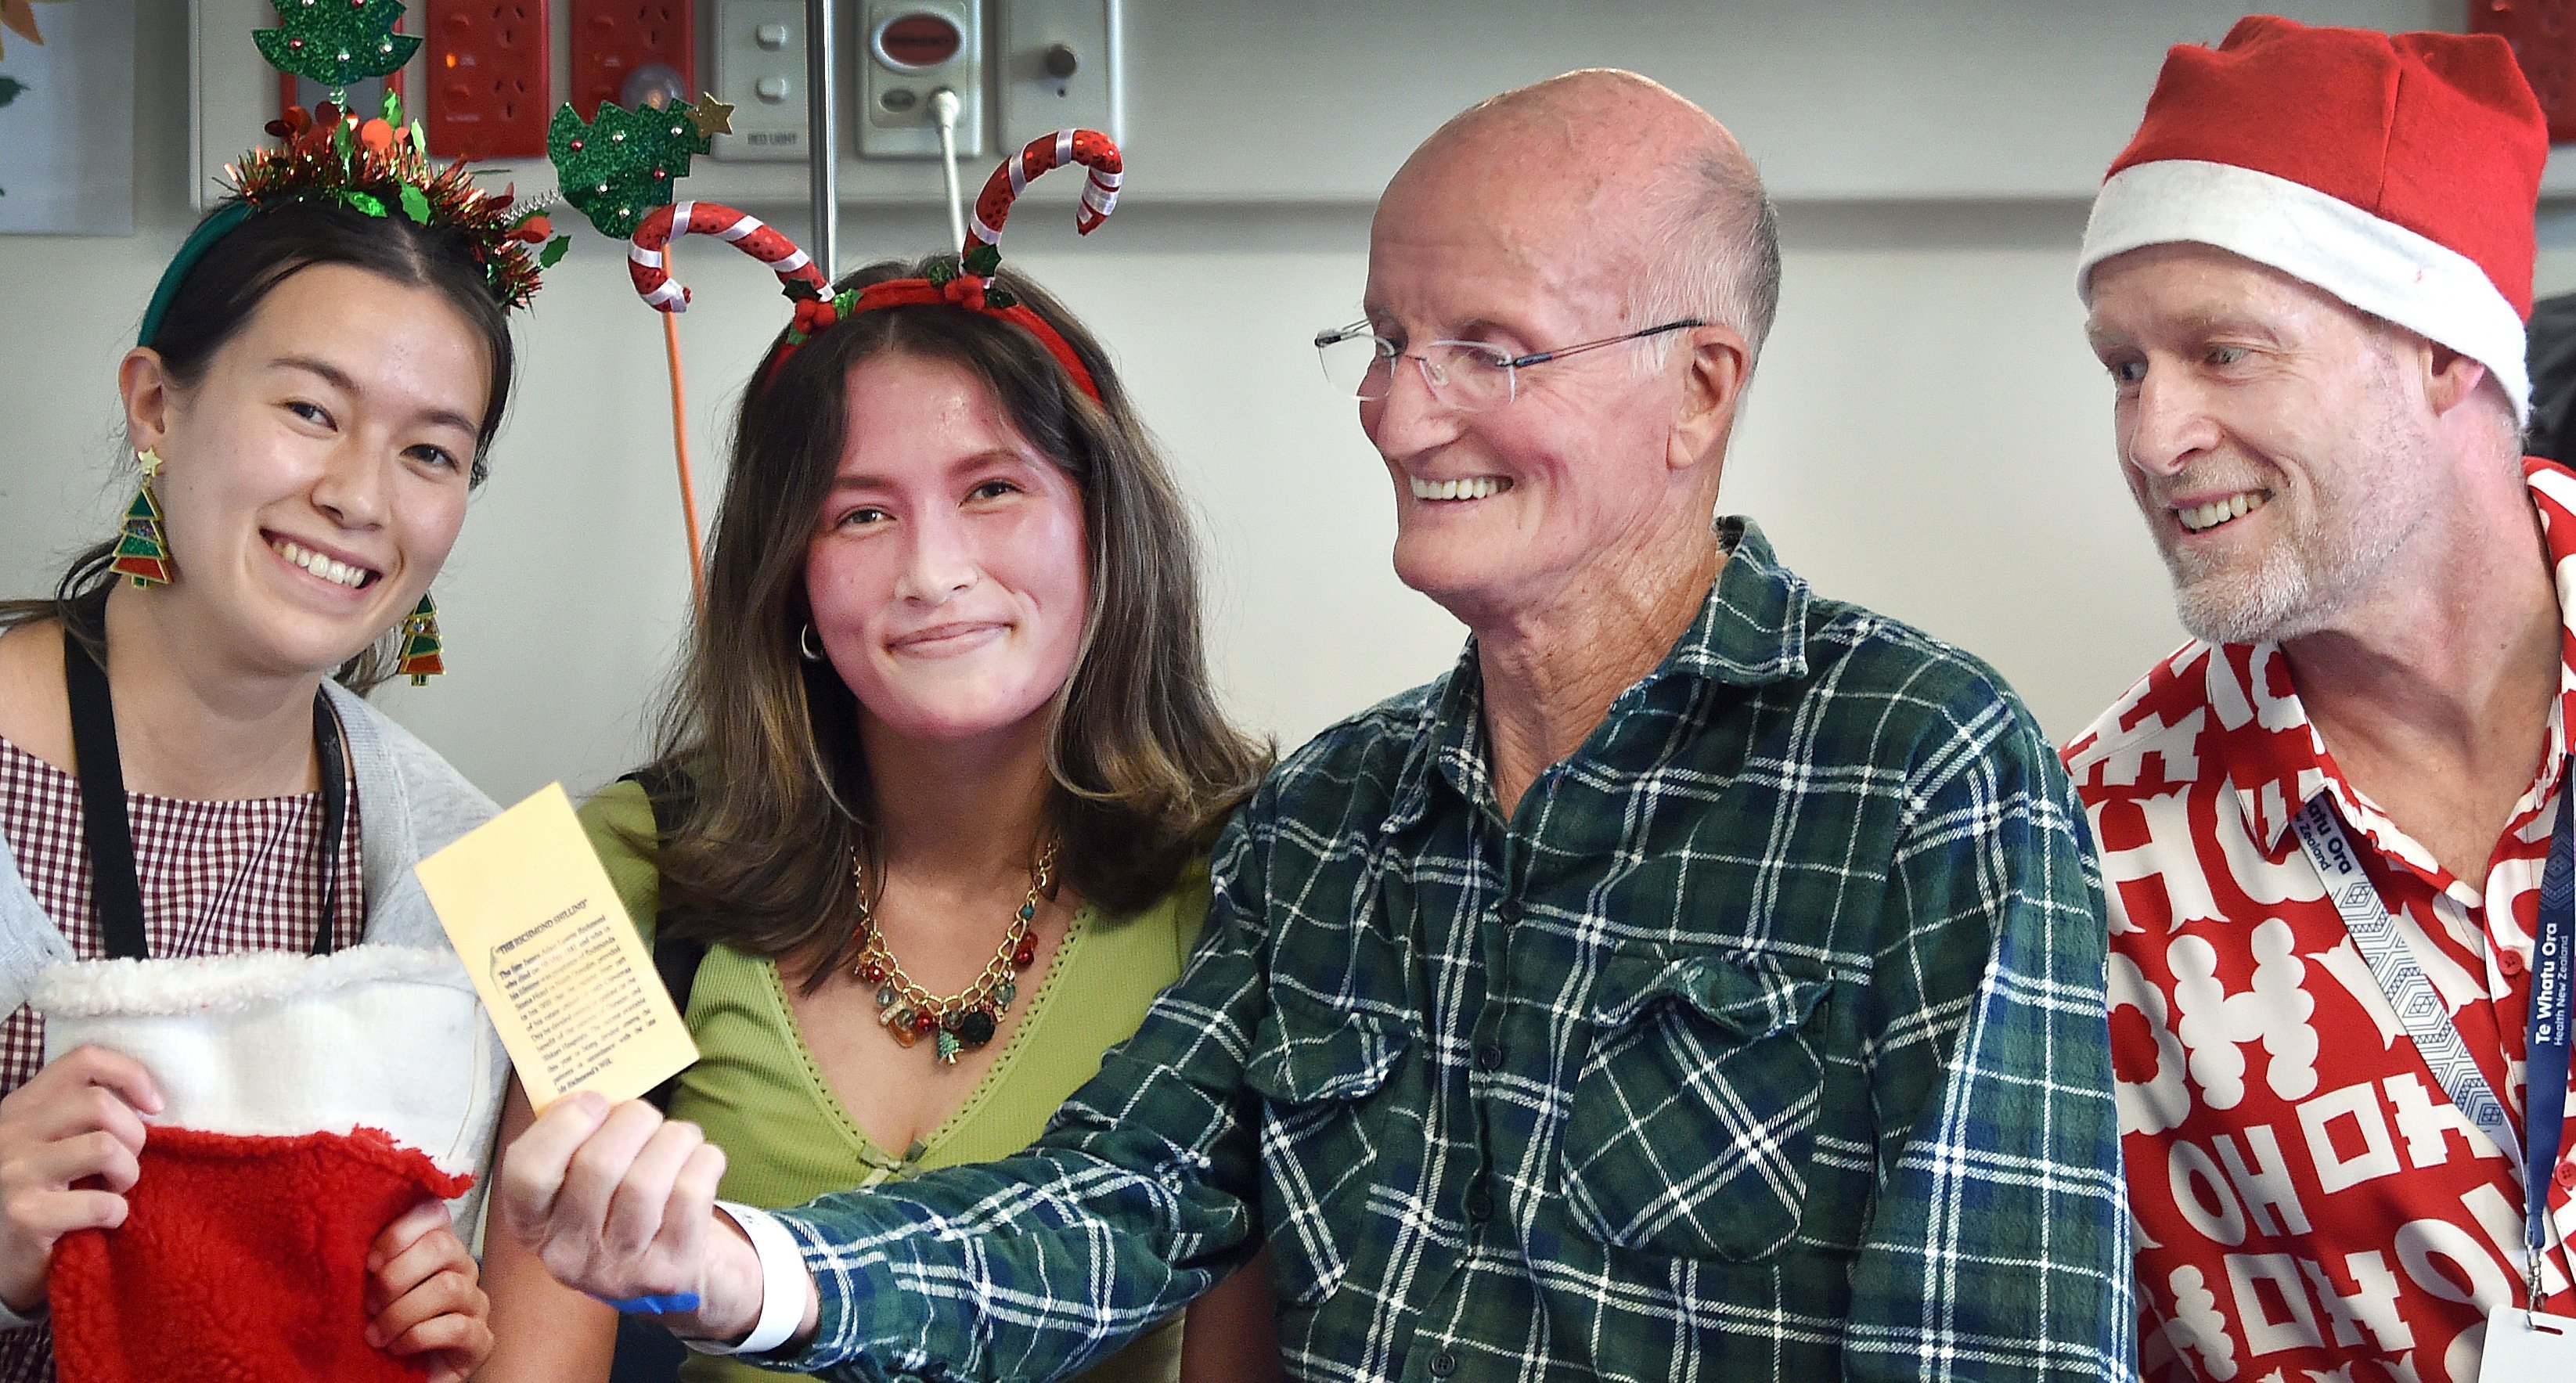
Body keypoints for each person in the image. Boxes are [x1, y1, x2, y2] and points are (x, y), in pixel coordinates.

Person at [496, 70, 2132, 1381]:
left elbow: (1995, 1339)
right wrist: (754, 1269)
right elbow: (1121, 1200)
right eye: (1385, 342)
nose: (1398, 413)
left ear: (1698, 388)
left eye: (1487, 349)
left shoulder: (1913, 769)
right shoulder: (1330, 819)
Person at [477, 167, 1283, 1383]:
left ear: (1106, 524)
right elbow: (534, 1360)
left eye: (994, 488)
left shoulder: (1271, 874)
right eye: (860, 516)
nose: (933, 571)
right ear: (788, 569)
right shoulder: (568, 874)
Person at [2061, 17, 2576, 1382]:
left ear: (2440, 351)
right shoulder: (2090, 847)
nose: (2152, 438)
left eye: (2223, 353)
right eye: (2125, 367)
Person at [0, 95, 543, 1381]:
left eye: (430, 451)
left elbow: (592, 1262)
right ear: (156, 405)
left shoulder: (513, 870)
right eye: (309, 409)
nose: (360, 495)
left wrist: (447, 1340)